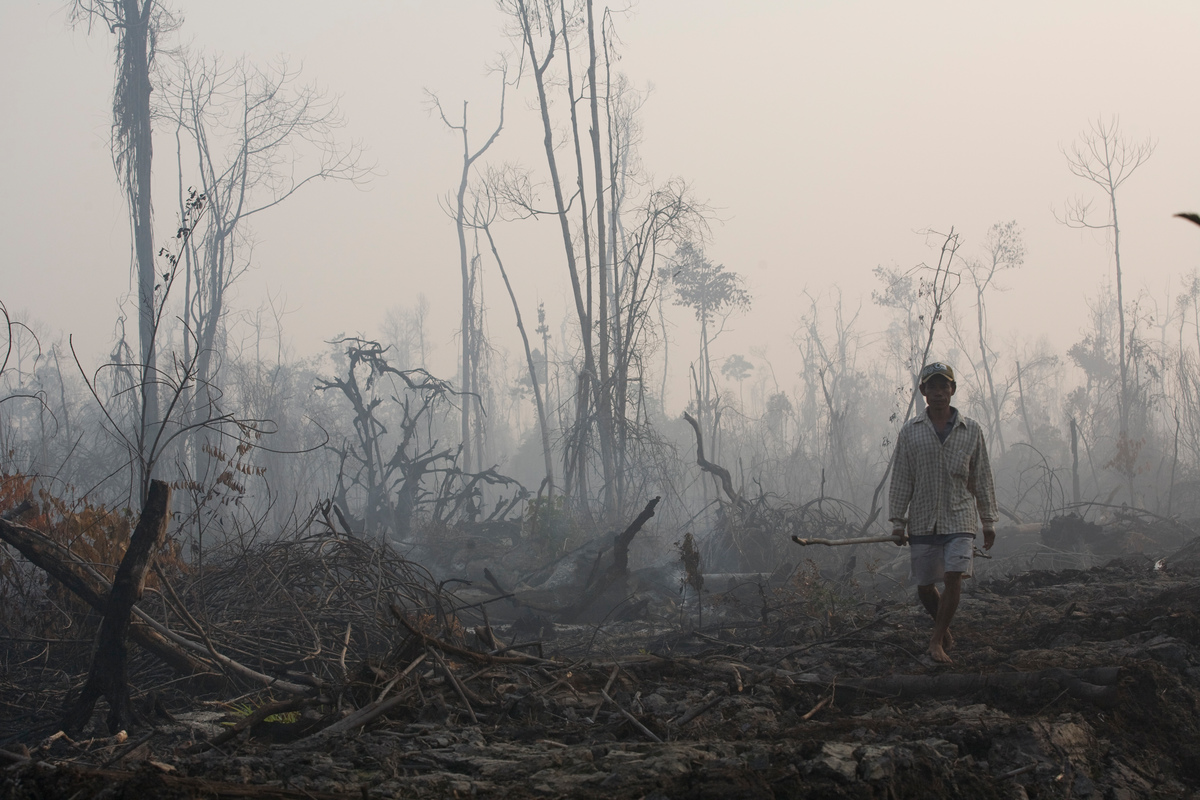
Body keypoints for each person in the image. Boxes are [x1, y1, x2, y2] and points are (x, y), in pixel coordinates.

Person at [888, 362, 997, 663]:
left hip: (960, 516)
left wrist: (987, 520)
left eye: (944, 386)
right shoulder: (910, 432)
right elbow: (902, 478)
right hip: (923, 519)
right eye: (932, 387)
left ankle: (936, 641)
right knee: (925, 586)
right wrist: (898, 522)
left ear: (952, 390)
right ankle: (944, 629)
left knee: (953, 576)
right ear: (923, 391)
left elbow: (982, 477)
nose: (938, 393)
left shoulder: (971, 430)